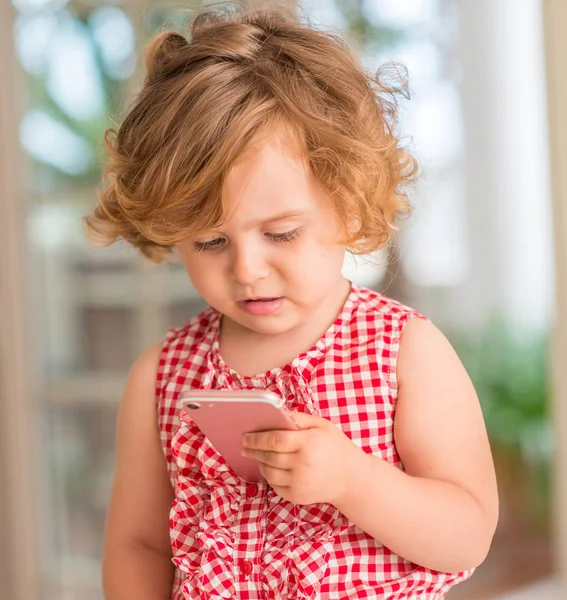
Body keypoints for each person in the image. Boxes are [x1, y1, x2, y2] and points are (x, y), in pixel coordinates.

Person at [86, 6, 498, 600]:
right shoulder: (161, 378)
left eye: (280, 233)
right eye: (210, 241)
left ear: (350, 202)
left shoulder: (403, 351)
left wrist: (354, 480)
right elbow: (139, 545)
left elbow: (467, 534)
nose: (248, 269)